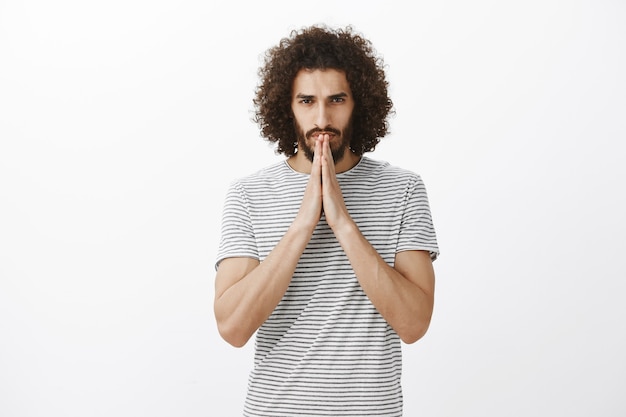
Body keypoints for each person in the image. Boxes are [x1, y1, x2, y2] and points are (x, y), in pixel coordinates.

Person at [214, 24, 439, 416]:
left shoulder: (403, 189)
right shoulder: (248, 195)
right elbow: (232, 328)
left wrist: (343, 223)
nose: (322, 118)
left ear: (359, 103)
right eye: (306, 101)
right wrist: (303, 224)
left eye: (337, 99)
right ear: (287, 107)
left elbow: (414, 324)